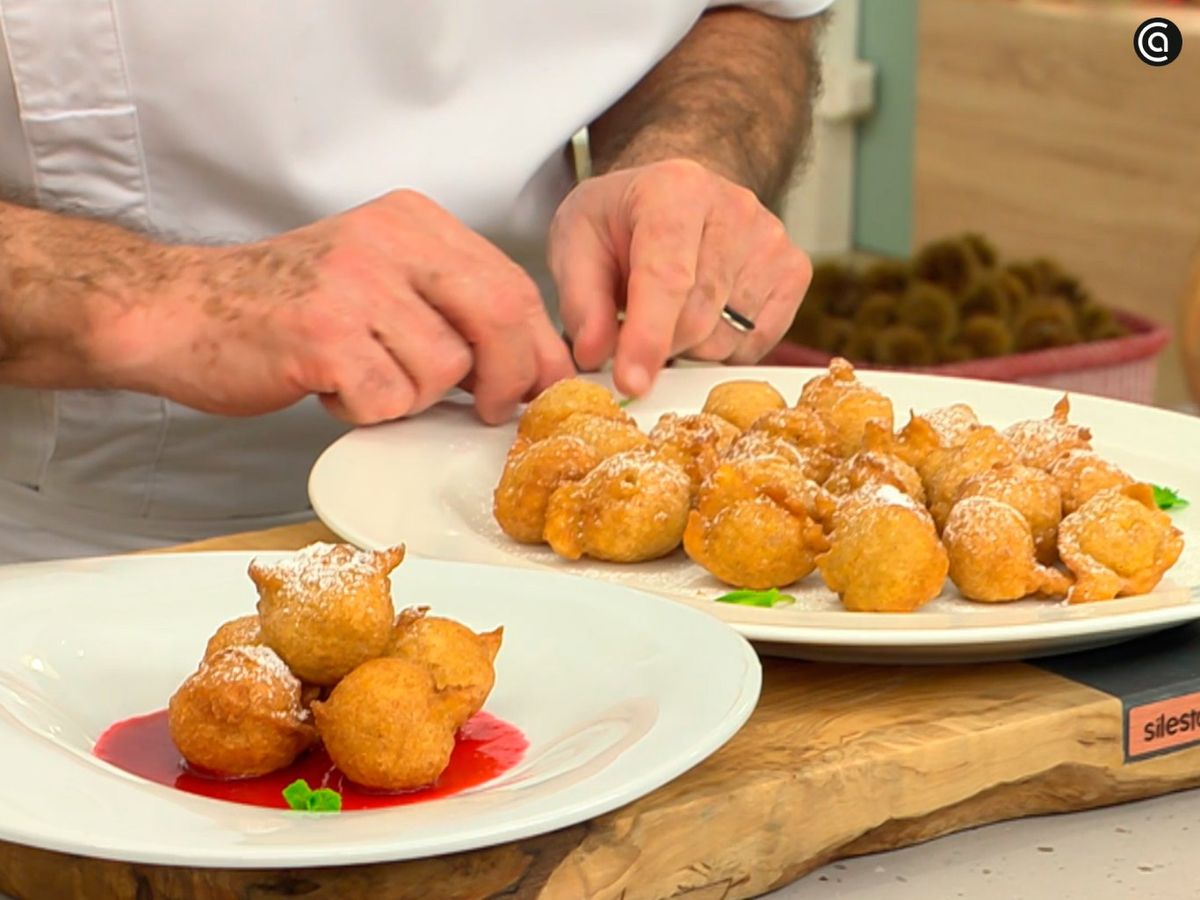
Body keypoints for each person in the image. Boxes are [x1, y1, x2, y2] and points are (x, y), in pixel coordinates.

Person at [0, 0, 828, 562]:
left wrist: (688, 157)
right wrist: (154, 297)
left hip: (530, 492)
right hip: (74, 541)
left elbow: (745, 10)